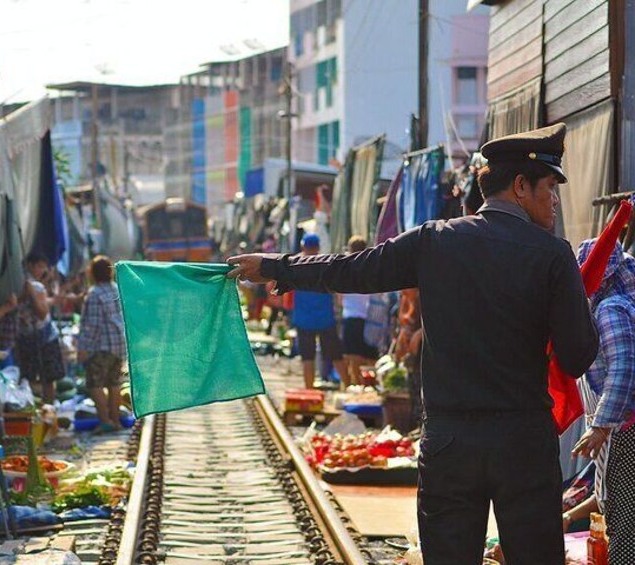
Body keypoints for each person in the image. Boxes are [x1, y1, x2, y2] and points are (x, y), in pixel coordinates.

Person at [228, 123, 599, 564]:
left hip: (449, 442)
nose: (556, 199)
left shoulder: (434, 240)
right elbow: (578, 356)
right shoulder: (552, 254)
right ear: (520, 186)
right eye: (550, 187)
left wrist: (277, 266)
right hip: (523, 441)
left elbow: (353, 269)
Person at [568, 238, 635, 561]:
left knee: (624, 531)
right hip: (623, 429)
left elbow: (623, 369)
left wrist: (600, 426)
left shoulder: (612, 309)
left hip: (627, 432)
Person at [290, 234, 347, 389]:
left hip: (303, 319)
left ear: (303, 246)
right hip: (325, 319)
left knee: (307, 357)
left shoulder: (295, 264)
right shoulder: (326, 263)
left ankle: (309, 391)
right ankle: (349, 387)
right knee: (336, 355)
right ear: (318, 247)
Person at [77, 255, 127, 433]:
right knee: (114, 384)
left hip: (102, 347)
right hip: (119, 344)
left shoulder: (94, 294)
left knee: (95, 384)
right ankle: (116, 421)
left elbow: (92, 326)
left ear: (93, 274)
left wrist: (83, 348)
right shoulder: (116, 289)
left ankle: (105, 420)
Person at [15, 252, 65, 405]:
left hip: (29, 337)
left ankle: (41, 409)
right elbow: (42, 313)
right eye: (39, 266)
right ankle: (48, 409)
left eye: (44, 267)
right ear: (29, 265)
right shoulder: (34, 286)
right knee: (47, 378)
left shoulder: (22, 283)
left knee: (31, 377)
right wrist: (33, 294)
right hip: (42, 338)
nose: (42, 270)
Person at [339, 236, 378, 385]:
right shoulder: (372, 268)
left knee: (353, 356)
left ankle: (355, 386)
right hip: (370, 318)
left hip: (351, 316)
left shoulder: (344, 269)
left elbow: (339, 297)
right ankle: (370, 387)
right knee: (370, 357)